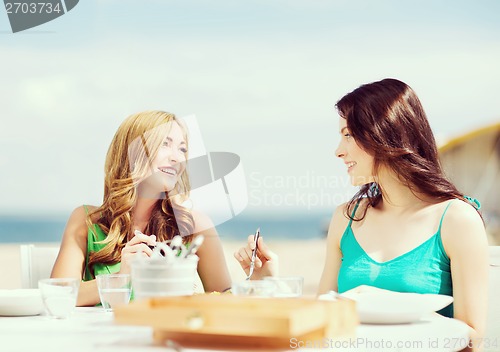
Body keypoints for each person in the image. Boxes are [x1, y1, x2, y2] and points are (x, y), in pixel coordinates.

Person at [234, 79, 489, 344]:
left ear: (385, 134)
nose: (338, 151)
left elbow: (472, 337)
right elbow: (322, 321)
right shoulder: (346, 218)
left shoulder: (457, 219)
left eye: (348, 135)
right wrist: (271, 284)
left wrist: (407, 328)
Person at [52, 110, 231, 306]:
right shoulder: (86, 220)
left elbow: (223, 297)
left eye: (182, 149)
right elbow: (58, 295)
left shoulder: (195, 225)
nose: (177, 158)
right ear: (133, 151)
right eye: (165, 144)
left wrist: (256, 278)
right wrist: (122, 277)